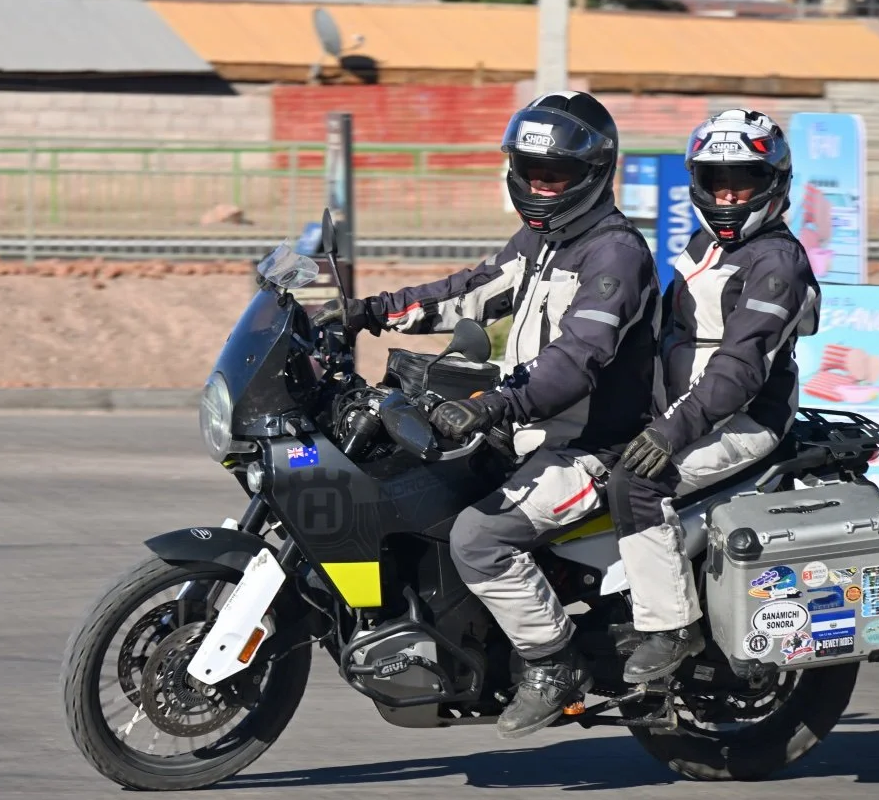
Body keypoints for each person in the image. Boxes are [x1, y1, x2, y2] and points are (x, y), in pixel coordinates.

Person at [313, 91, 659, 738]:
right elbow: (470, 292)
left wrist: (493, 404)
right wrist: (365, 311)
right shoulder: (541, 239)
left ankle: (553, 663)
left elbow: (577, 358)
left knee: (478, 536)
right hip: (529, 430)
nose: (537, 185)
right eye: (528, 171)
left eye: (552, 174)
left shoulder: (614, 254)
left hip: (593, 448)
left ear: (590, 175)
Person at [611, 109, 821, 684]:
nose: (728, 195)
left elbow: (740, 367)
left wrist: (670, 430)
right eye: (714, 180)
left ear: (774, 183)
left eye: (744, 181)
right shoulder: (707, 243)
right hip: (686, 407)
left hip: (743, 419)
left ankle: (673, 625)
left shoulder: (777, 261)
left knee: (638, 481)